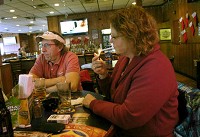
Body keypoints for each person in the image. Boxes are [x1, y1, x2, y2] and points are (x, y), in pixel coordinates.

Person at [83, 6, 179, 137]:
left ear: (133, 36)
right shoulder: (125, 58)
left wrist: (93, 103)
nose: (110, 40)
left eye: (114, 36)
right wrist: (104, 75)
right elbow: (114, 97)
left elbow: (129, 117)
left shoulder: (155, 66)